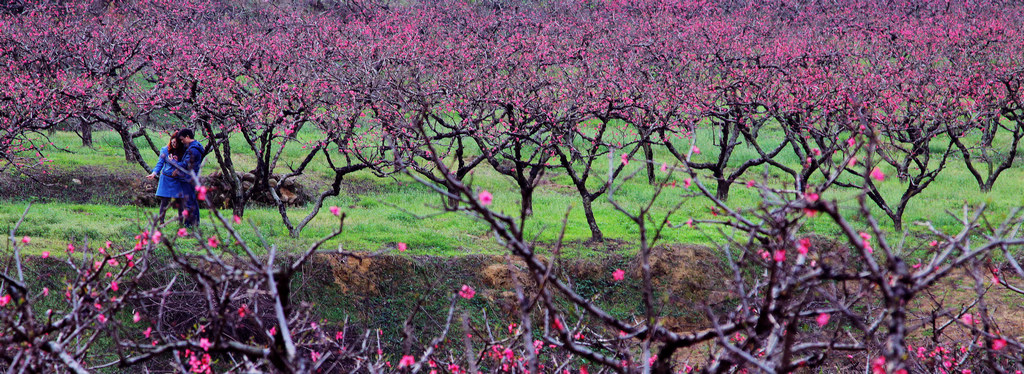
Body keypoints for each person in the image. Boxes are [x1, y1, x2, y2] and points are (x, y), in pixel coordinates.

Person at [146, 130, 185, 225]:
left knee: (180, 201)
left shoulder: (183, 151)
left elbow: (185, 165)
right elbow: (160, 164)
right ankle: (161, 222)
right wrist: (154, 173)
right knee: (164, 201)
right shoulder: (165, 150)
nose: (174, 144)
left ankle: (181, 223)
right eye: (173, 142)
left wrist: (176, 164)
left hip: (178, 179)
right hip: (166, 178)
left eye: (176, 143)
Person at [172, 129, 205, 227]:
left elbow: (185, 164)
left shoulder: (193, 149)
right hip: (191, 177)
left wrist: (174, 163)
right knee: (192, 200)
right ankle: (194, 223)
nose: (182, 142)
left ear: (187, 137)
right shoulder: (195, 147)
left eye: (182, 139)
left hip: (188, 178)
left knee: (189, 201)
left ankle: (189, 224)